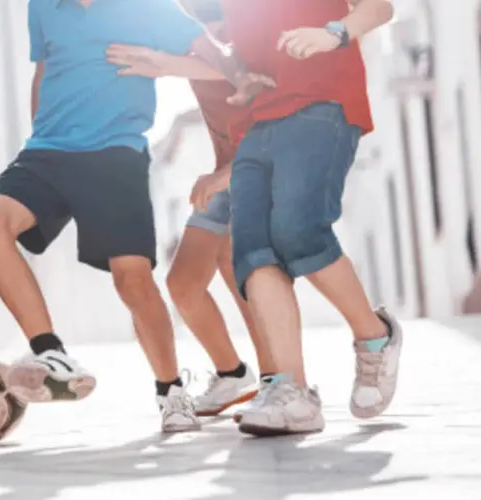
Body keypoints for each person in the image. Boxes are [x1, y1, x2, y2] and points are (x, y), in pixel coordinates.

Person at [0, 0, 272, 433]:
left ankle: (171, 391)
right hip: (47, 154)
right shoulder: (43, 7)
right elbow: (44, 69)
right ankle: (49, 350)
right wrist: (41, 133)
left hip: (116, 154)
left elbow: (212, 48)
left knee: (132, 279)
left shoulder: (145, 7)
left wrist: (232, 73)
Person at [106, 0, 401, 436]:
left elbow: (379, 8)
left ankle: (375, 338)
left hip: (321, 104)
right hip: (255, 124)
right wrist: (166, 64)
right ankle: (291, 391)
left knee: (298, 231)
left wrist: (332, 32)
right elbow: (233, 59)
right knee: (253, 254)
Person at [108, 1, 275, 418]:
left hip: (257, 172)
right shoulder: (191, 37)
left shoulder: (243, 33)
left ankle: (279, 382)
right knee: (183, 283)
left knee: (243, 274)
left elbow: (240, 68)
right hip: (224, 177)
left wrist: (165, 64)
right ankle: (233, 373)